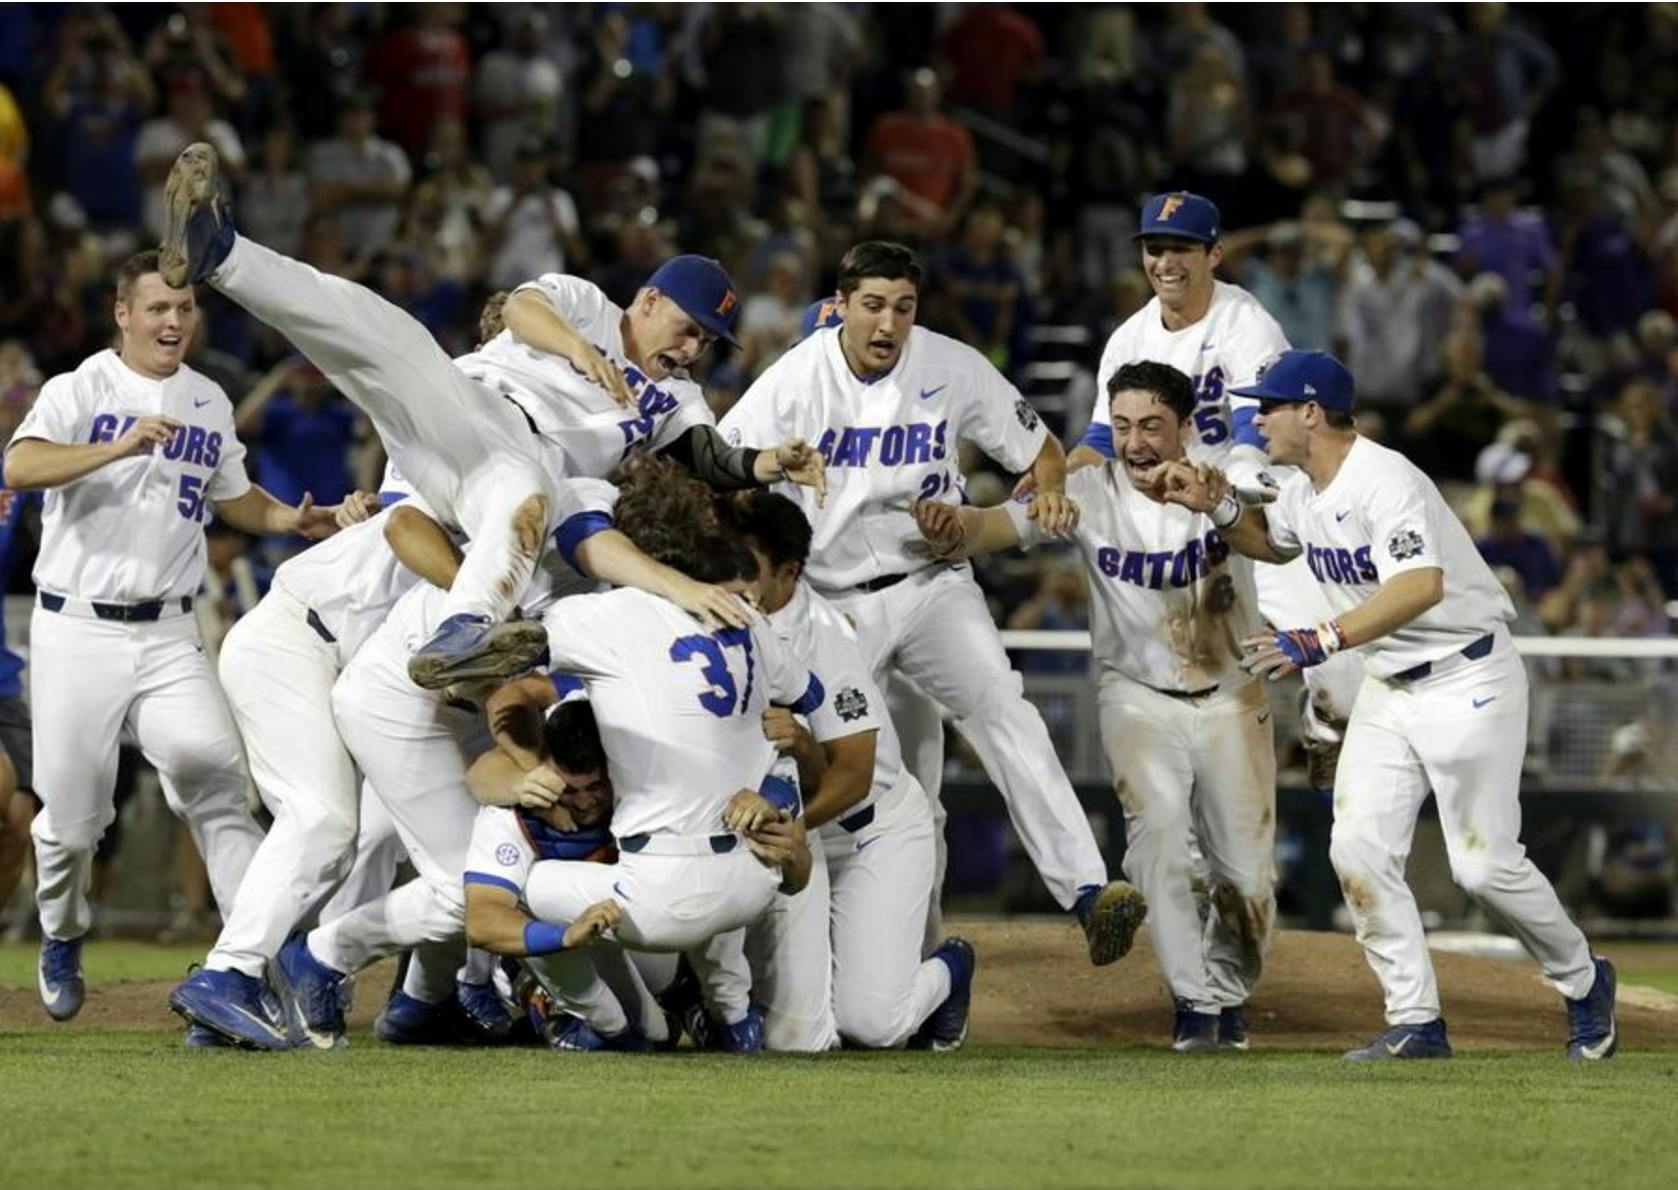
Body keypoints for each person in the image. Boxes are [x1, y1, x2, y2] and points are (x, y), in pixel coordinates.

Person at [158, 141, 820, 690]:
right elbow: (522, 312)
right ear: (648, 301)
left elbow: (709, 456)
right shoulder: (589, 306)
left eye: (707, 341)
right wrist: (578, 351)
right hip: (469, 411)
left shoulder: (678, 397)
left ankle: (463, 631)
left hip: (497, 479)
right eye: (688, 327)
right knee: (381, 332)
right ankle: (223, 255)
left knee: (527, 496)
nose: (692, 347)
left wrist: (765, 462)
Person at [1152, 349, 1619, 1062]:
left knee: (1484, 867)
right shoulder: (1306, 487)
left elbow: (1421, 585)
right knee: (1358, 849)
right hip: (1391, 685)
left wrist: (1324, 636)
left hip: (1468, 680)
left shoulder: (1385, 478)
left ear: (1311, 412)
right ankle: (1416, 1020)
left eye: (1269, 406)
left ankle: (1584, 981)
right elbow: (1271, 546)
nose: (1257, 418)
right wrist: (1213, 506)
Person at [721, 240, 1147, 967]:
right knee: (901, 793)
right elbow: (723, 470)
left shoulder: (950, 365)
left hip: (931, 584)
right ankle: (913, 964)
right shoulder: (794, 379)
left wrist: (1041, 489)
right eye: (874, 305)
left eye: (904, 307)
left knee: (1002, 706)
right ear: (843, 304)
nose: (889, 323)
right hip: (832, 605)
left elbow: (1042, 451)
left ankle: (1085, 891)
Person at [2, 250, 366, 1022]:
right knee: (69, 826)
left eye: (185, 309)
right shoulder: (79, 389)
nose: (173, 321)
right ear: (123, 314)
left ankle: (247, 963)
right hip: (76, 629)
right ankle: (65, 931)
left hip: (169, 631)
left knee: (215, 784)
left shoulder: (207, 399)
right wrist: (120, 443)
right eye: (158, 308)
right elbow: (22, 464)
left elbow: (234, 497)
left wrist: (292, 519)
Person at [913, 361, 1275, 1053]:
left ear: (1185, 428)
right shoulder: (1085, 488)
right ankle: (1196, 1006)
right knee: (1162, 838)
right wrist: (947, 524)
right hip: (1135, 697)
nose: (1136, 442)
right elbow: (994, 527)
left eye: (1152, 426)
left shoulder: (1218, 474)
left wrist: (1218, 508)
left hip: (1232, 692)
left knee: (1245, 877)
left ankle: (1227, 990)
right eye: (1124, 425)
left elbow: (1275, 544)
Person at [1065, 190, 1363, 795]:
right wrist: (1055, 477)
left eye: (1182, 248)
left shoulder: (1245, 321)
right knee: (1183, 677)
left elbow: (1262, 419)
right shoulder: (1128, 338)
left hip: (1244, 505)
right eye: (1155, 248)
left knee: (1342, 676)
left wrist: (1241, 471)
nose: (1166, 262)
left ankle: (1326, 721)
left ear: (1214, 255)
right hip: (1171, 516)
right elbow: (1100, 435)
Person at [722, 490, 973, 1051]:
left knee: (872, 1024)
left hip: (865, 831)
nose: (729, 572)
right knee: (791, 1027)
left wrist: (793, 829)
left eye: (747, 563)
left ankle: (952, 969)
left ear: (788, 571)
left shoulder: (826, 638)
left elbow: (855, 772)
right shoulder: (723, 608)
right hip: (786, 832)